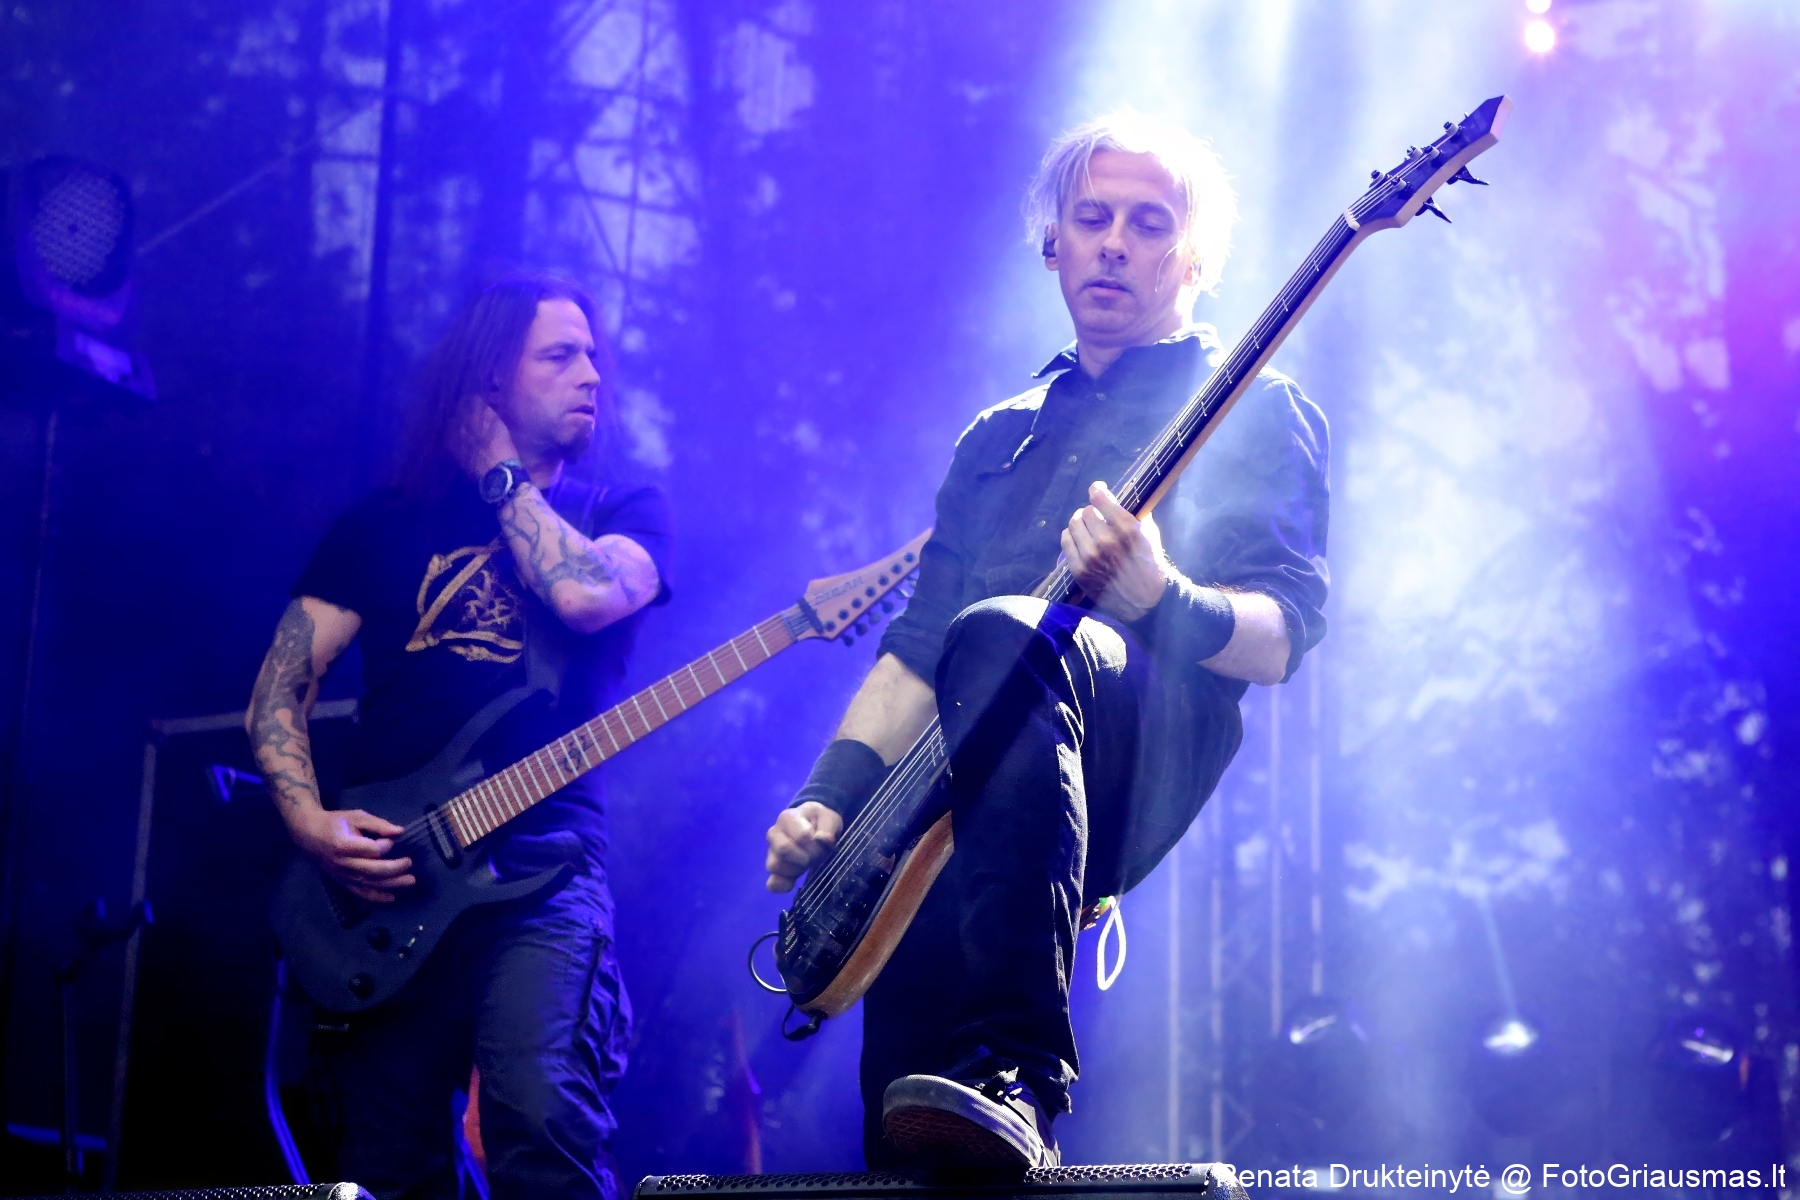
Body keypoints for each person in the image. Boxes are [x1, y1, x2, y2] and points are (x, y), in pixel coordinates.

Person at [763, 112, 1329, 1168]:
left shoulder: (1256, 405)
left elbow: (1281, 639)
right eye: (1093, 218)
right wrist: (829, 797)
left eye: (1149, 223)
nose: (1114, 242)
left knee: (1005, 634)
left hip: (1133, 741)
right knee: (908, 1117)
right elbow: (914, 653)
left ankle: (1023, 1064)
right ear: (1053, 244)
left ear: (1195, 258)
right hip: (957, 779)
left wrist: (1160, 596)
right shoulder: (996, 433)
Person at [247, 275, 672, 1199]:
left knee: (543, 1126)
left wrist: (501, 477)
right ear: (489, 379)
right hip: (388, 883)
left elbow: (584, 595)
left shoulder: (622, 512)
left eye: (592, 355)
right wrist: (309, 823)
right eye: (560, 355)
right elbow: (279, 688)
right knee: (387, 1165)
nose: (591, 374)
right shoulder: (381, 524)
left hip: (545, 874)